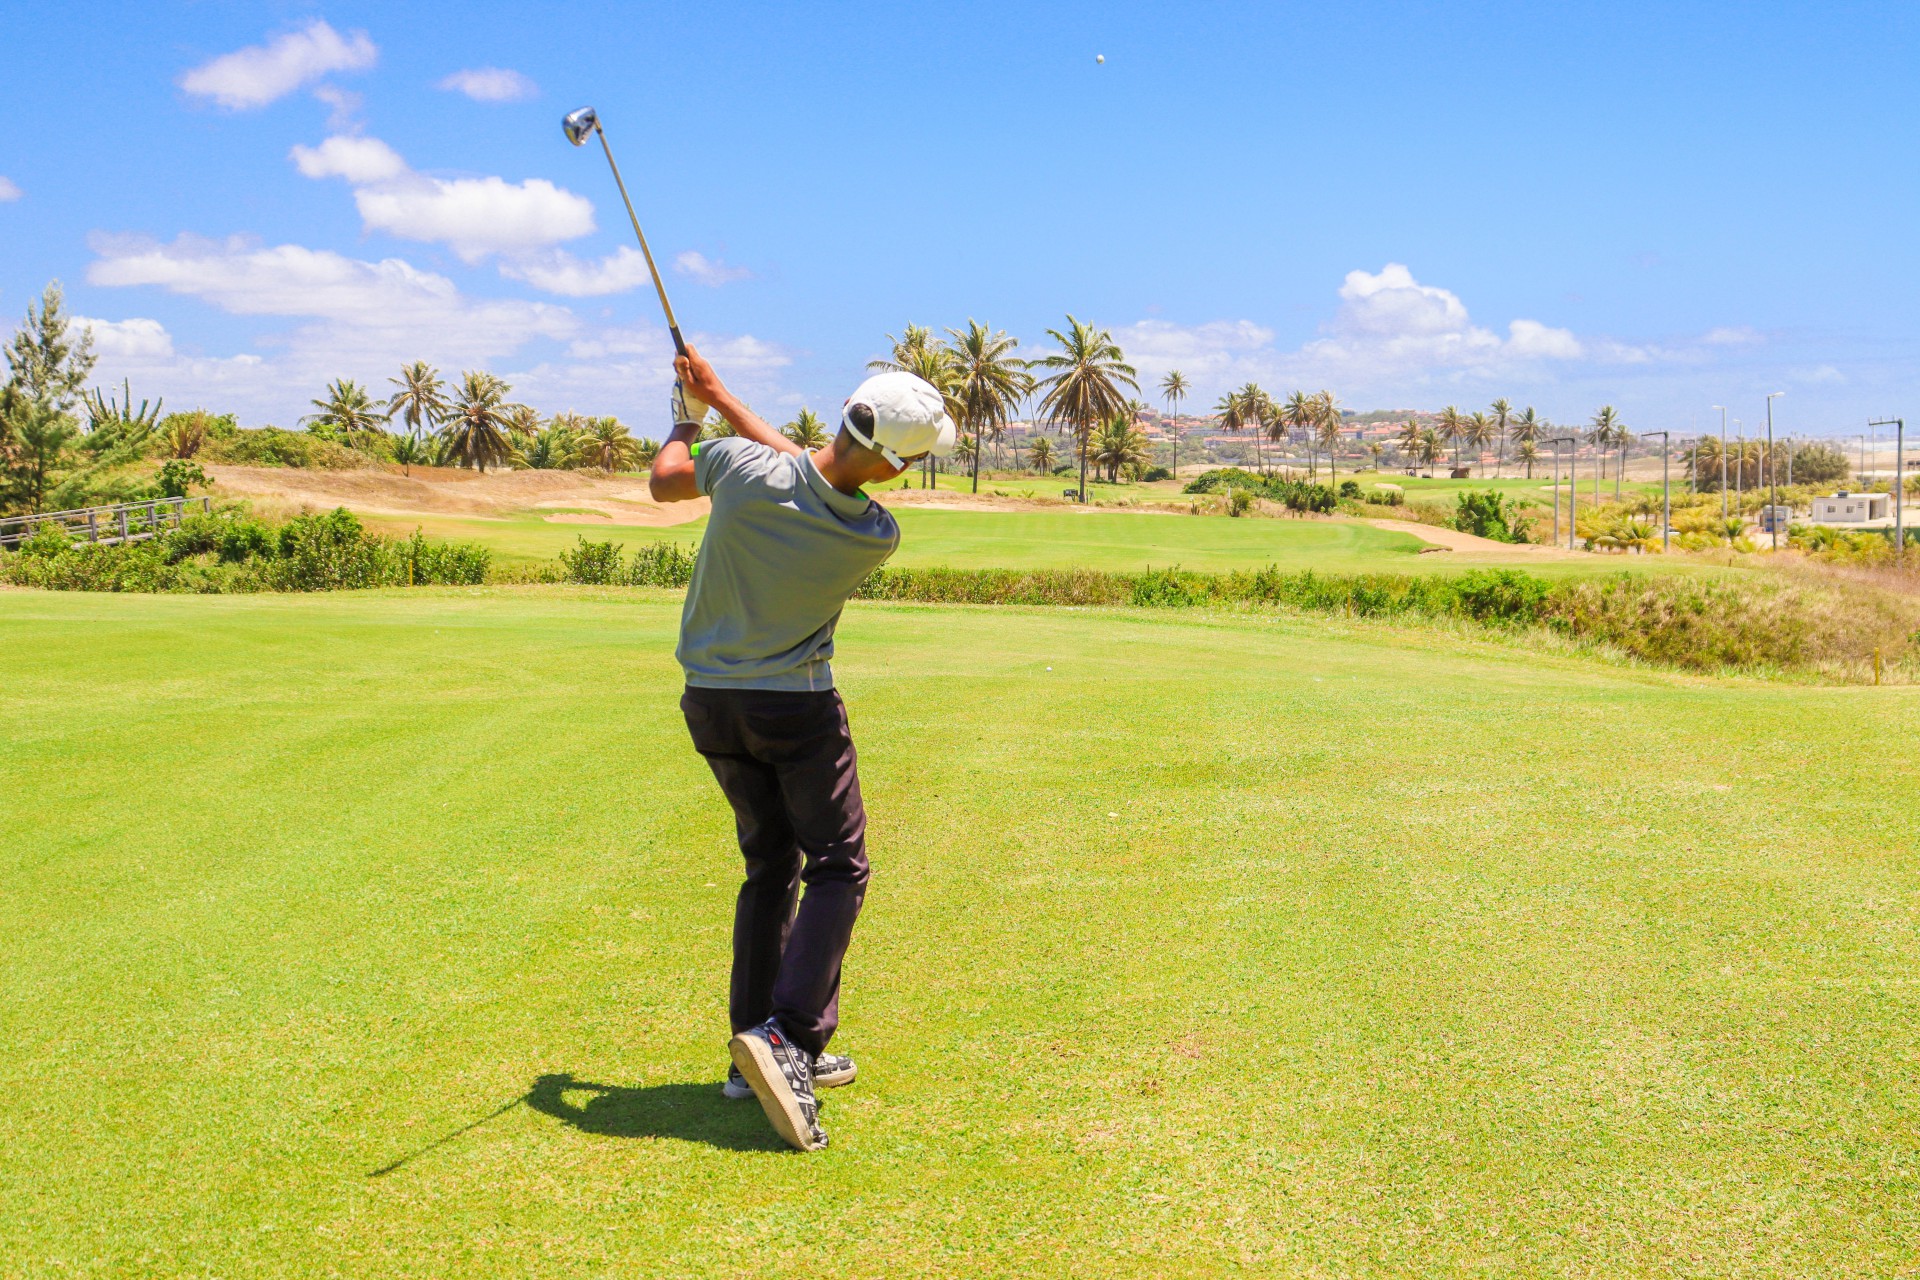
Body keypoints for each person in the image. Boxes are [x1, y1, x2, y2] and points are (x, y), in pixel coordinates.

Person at [649, 343, 955, 1152]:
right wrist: (725, 397)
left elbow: (669, 478)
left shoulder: (742, 470)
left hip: (709, 704)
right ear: (893, 469)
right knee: (838, 867)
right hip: (798, 713)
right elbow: (816, 479)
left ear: (843, 413)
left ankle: (752, 1042)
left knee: (769, 865)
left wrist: (693, 412)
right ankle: (787, 1040)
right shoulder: (874, 533)